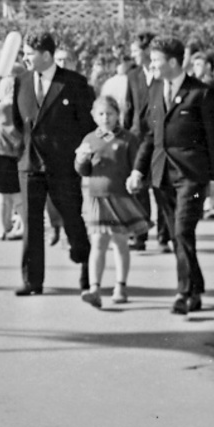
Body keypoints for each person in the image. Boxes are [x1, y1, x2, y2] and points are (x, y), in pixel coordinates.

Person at [128, 38, 214, 315]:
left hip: (192, 177)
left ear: (172, 62)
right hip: (162, 176)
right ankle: (196, 286)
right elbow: (150, 135)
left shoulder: (201, 93)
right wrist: (138, 169)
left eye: (156, 60)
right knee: (177, 236)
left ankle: (185, 293)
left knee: (182, 231)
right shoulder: (156, 89)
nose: (151, 65)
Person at [11, 33, 94, 296]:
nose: (24, 58)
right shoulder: (21, 81)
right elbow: (17, 121)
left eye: (29, 53)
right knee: (31, 223)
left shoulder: (74, 84)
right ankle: (32, 280)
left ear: (46, 55)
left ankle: (84, 261)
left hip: (62, 164)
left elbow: (87, 126)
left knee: (71, 217)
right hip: (30, 162)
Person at [75, 96, 147, 306]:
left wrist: (136, 180)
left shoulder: (127, 139)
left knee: (119, 241)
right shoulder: (89, 139)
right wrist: (81, 160)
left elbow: (136, 166)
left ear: (118, 115)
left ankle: (120, 286)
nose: (106, 118)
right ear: (93, 116)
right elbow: (83, 170)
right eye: (101, 114)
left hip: (120, 197)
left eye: (110, 114)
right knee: (97, 242)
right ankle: (94, 288)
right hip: (97, 198)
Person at [0, 67, 24, 241]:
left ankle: (3, 227)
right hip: (17, 152)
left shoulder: (4, 106)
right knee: (17, 194)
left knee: (3, 194)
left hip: (3, 152)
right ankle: (19, 225)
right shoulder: (21, 105)